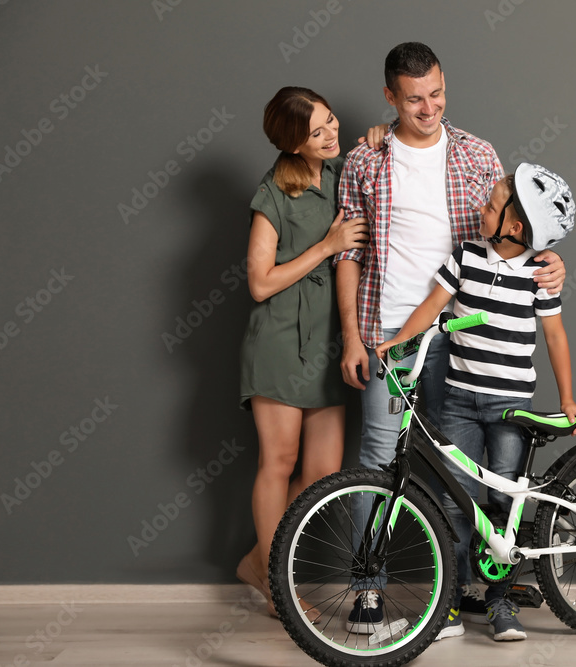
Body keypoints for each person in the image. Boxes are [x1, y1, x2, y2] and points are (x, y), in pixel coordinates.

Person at [335, 42, 568, 633]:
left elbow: (520, 226)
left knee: (455, 469)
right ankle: (368, 590)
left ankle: (469, 589)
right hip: (393, 329)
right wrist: (351, 338)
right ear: (390, 97)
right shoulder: (365, 161)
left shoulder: (478, 154)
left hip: (468, 333)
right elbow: (348, 255)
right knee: (378, 458)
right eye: (414, 99)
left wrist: (553, 265)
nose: (429, 107)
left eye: (436, 94)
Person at [376, 163, 576, 642]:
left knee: (503, 502)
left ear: (514, 225)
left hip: (511, 407)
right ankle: (448, 606)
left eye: (491, 205)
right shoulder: (466, 256)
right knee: (455, 504)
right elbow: (432, 305)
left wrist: (569, 397)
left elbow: (554, 335)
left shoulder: (539, 274)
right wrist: (399, 345)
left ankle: (501, 603)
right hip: (459, 401)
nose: (481, 208)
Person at [236, 87, 369, 619]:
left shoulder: (343, 176)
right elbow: (259, 283)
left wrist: (379, 135)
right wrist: (324, 249)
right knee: (280, 462)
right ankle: (277, 585)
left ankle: (255, 560)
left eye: (331, 121)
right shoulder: (272, 194)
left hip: (330, 343)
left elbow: (376, 156)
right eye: (317, 131)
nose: (331, 133)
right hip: (278, 343)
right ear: (293, 143)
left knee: (321, 476)